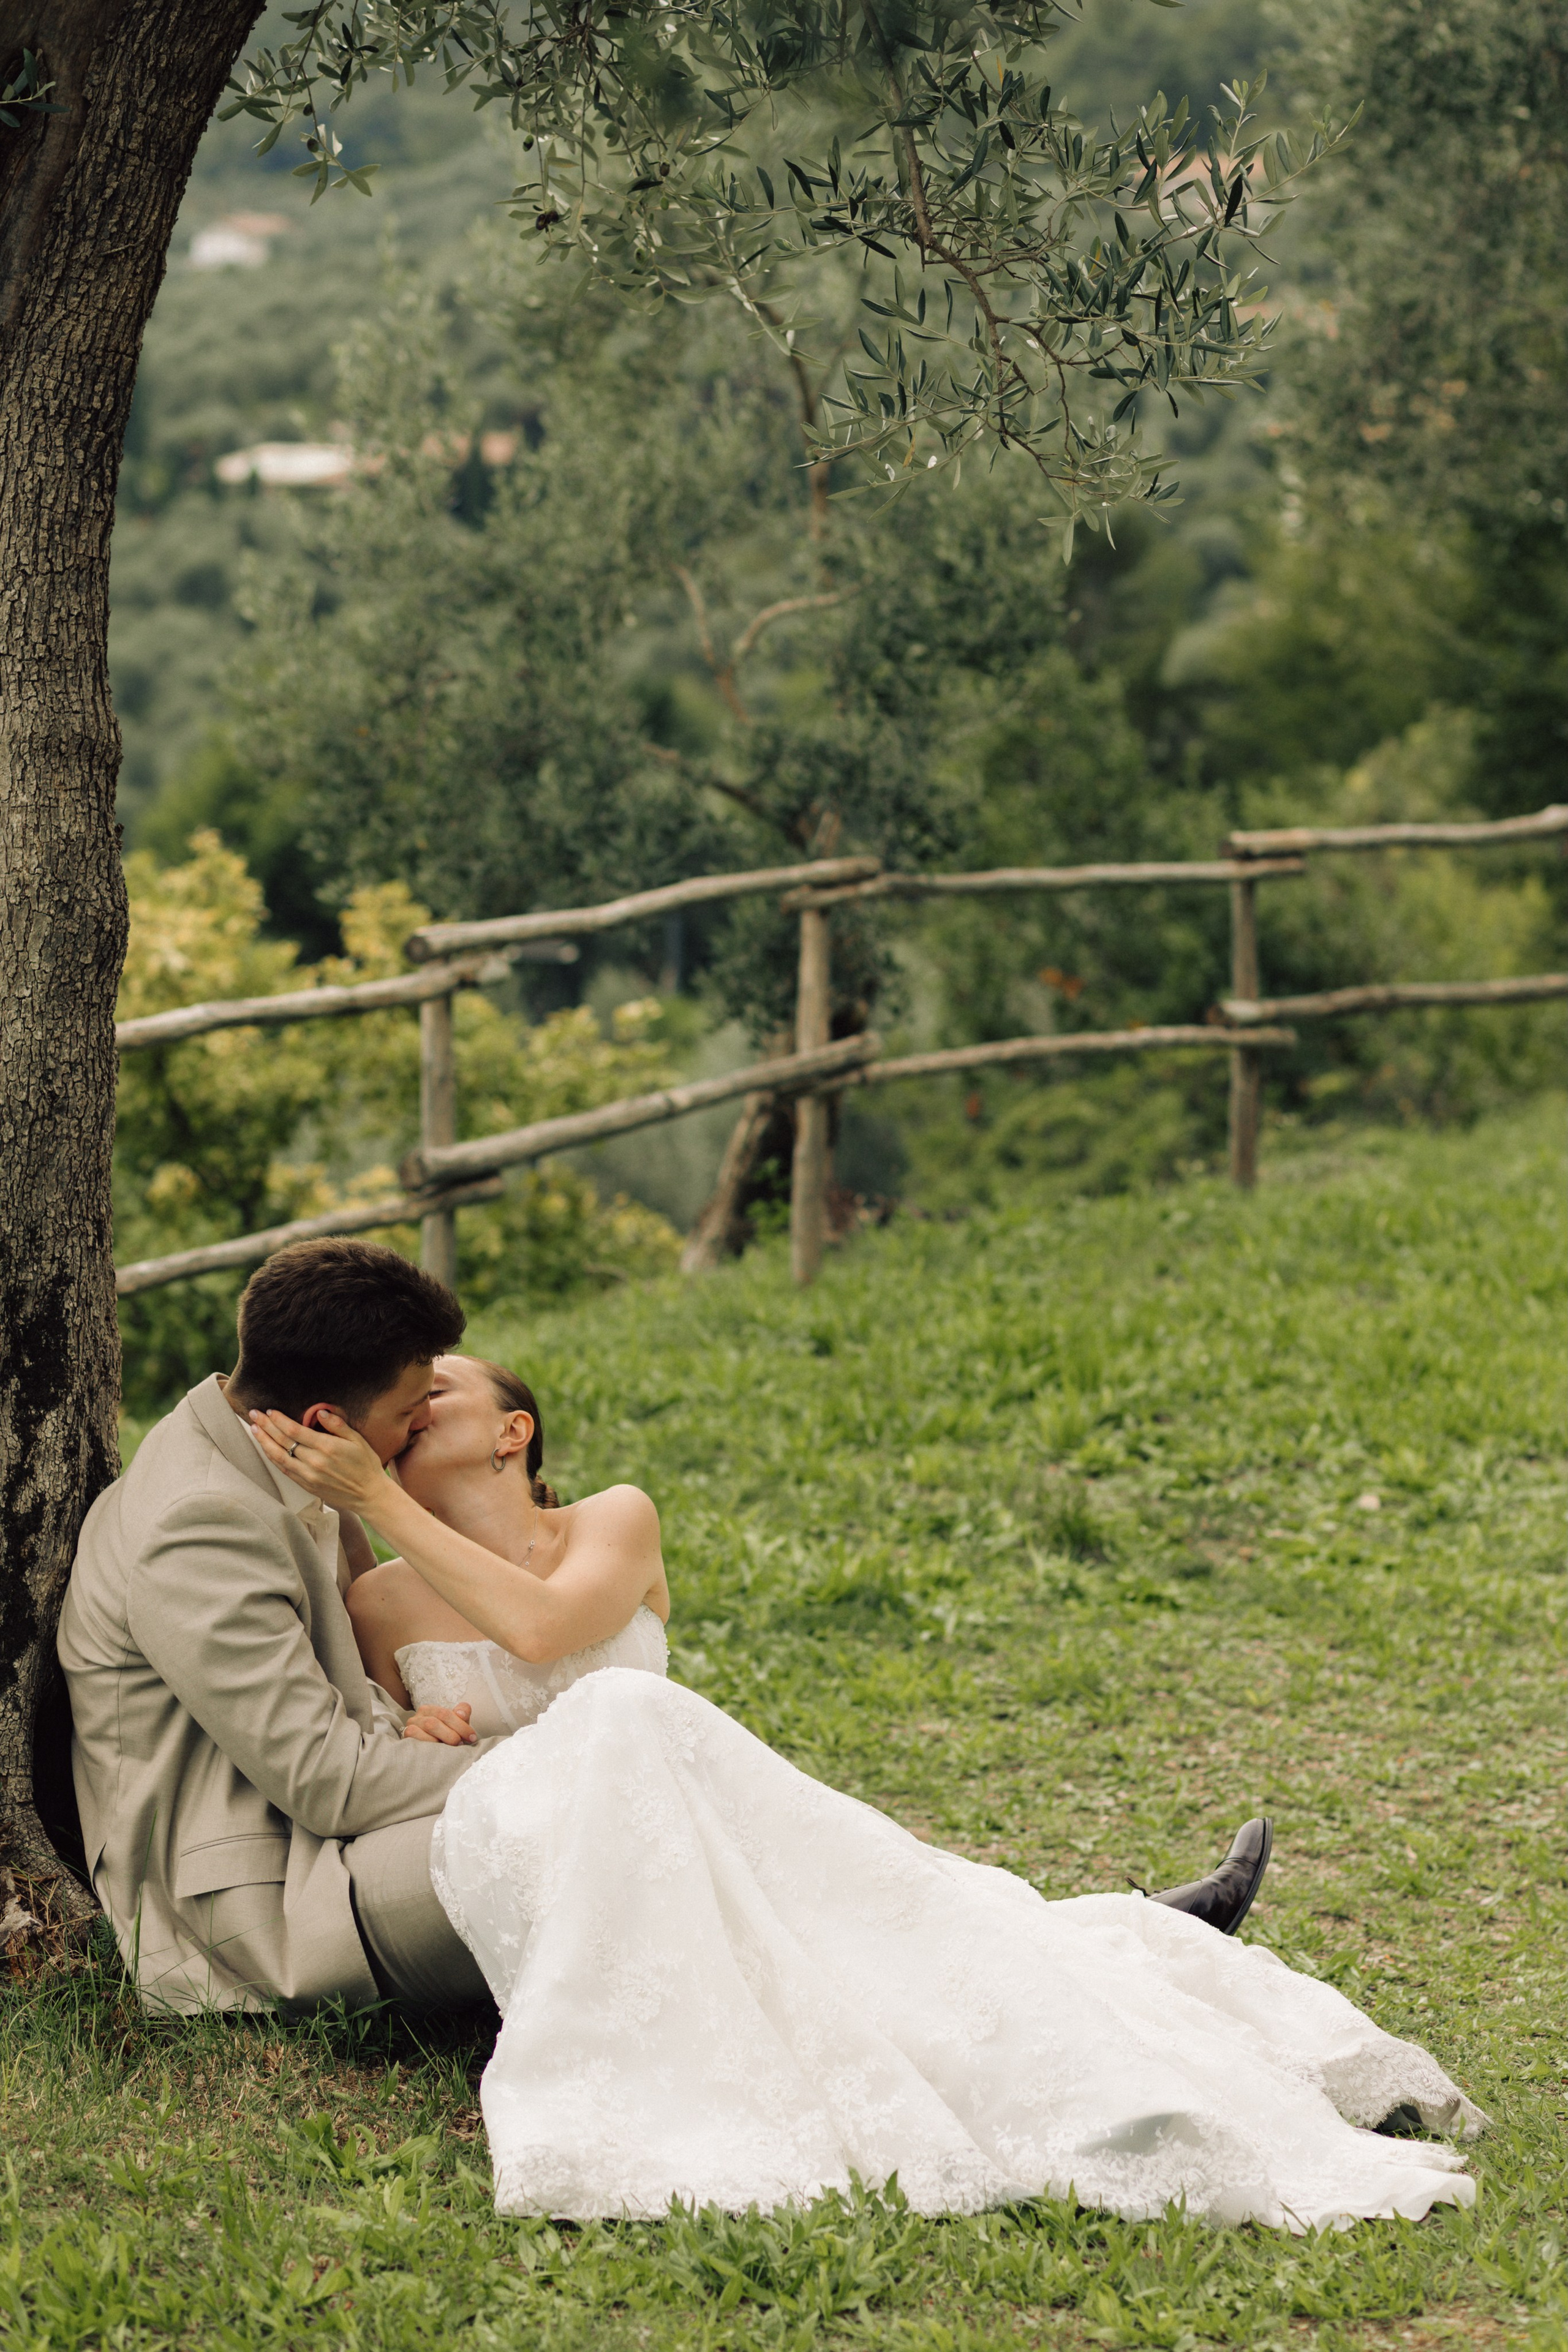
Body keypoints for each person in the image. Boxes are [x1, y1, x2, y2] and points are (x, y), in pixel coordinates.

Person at [246, 1346, 1484, 2233]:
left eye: (443, 1390)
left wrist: (377, 1498)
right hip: (561, 1835)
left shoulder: (610, 1523)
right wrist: (423, 1725)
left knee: (651, 1733)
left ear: (514, 1431)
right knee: (666, 1770)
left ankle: (1098, 1948)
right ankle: (1092, 1930)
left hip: (691, 1798)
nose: (412, 1407)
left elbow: (544, 1629)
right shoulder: (373, 1599)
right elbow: (391, 1744)